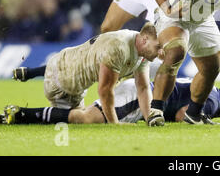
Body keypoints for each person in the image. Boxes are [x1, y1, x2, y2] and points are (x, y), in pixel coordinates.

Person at [10, 23, 162, 124]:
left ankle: (29, 74)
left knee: (83, 116)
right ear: (145, 40)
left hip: (69, 66)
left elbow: (142, 87)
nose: (161, 52)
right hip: (62, 83)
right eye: (158, 46)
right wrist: (114, 125)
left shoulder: (142, 51)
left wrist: (150, 117)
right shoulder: (119, 48)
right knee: (80, 119)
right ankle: (18, 115)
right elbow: (104, 90)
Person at [0, 78, 220, 125]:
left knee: (84, 113)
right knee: (87, 117)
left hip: (137, 90)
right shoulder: (211, 102)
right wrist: (205, 121)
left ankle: (20, 114)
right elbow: (182, 115)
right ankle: (21, 114)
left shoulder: (208, 85)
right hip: (139, 99)